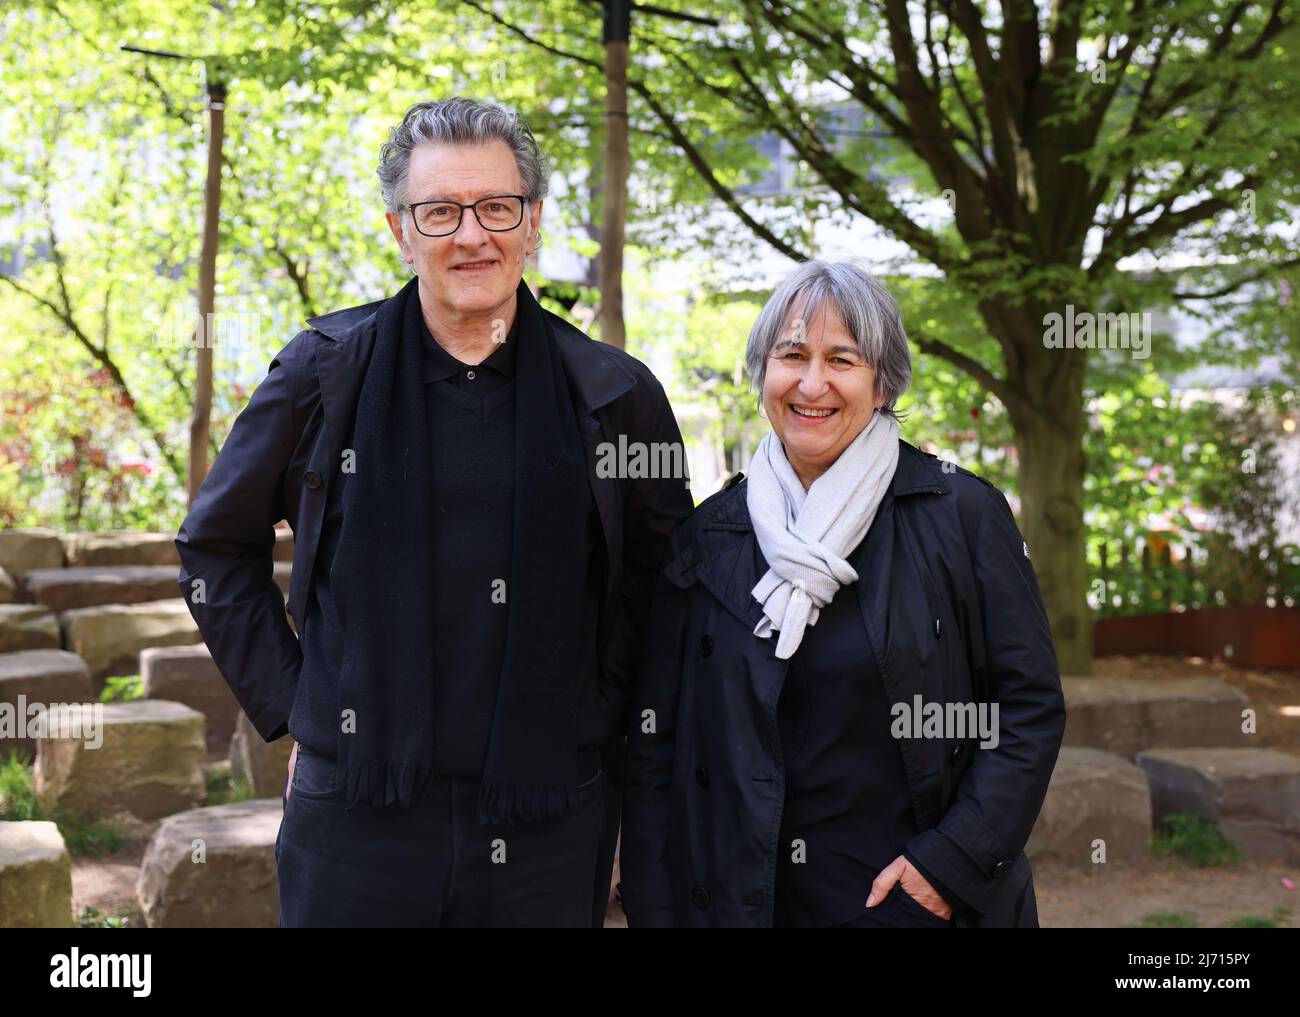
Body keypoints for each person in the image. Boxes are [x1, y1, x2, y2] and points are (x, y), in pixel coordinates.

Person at [176, 97, 692, 927]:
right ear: (400, 229)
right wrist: (295, 700)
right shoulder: (321, 375)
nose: (470, 234)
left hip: (549, 815)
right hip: (356, 810)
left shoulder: (615, 395)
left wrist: (601, 712)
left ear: (531, 223)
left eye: (496, 207)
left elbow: (665, 582)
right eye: (440, 210)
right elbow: (213, 545)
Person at [619, 260, 1066, 928]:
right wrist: (657, 907)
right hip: (744, 905)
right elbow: (655, 745)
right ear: (762, 372)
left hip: (909, 902)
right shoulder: (708, 536)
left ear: (882, 382)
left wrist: (949, 864)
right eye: (791, 355)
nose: (811, 382)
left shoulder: (960, 514)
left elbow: (1026, 707)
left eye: (841, 359)